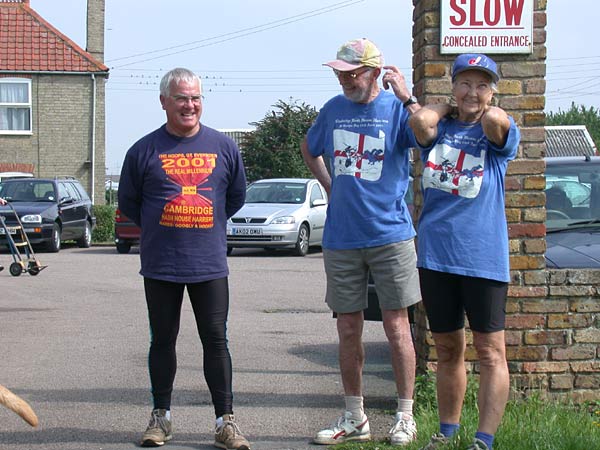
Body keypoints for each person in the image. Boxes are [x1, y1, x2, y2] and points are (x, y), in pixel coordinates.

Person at [118, 67, 251, 450]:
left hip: (209, 263)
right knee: (162, 340)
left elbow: (235, 197)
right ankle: (161, 418)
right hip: (161, 263)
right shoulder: (143, 150)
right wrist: (163, 225)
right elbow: (129, 202)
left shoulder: (223, 147)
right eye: (181, 98)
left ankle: (225, 422)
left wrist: (205, 222)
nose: (189, 105)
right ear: (164, 102)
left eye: (195, 98)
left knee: (216, 341)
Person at [301, 38, 422, 446]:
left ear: (374, 73)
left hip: (391, 235)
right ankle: (354, 418)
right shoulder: (333, 110)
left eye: (352, 73)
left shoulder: (395, 110)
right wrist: (329, 185)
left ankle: (405, 417)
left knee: (397, 326)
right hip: (342, 237)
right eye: (340, 73)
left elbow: (428, 136)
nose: (344, 80)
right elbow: (309, 147)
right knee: (348, 328)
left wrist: (408, 97)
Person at [408, 54, 520, 450]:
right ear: (453, 86)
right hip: (437, 255)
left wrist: (480, 106)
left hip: (483, 257)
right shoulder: (439, 129)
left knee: (490, 351)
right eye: (465, 83)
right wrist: (447, 108)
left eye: (482, 85)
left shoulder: (498, 132)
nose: (473, 92)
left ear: (493, 91)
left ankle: (483, 440)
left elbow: (495, 122)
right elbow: (420, 123)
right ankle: (447, 433)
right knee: (447, 348)